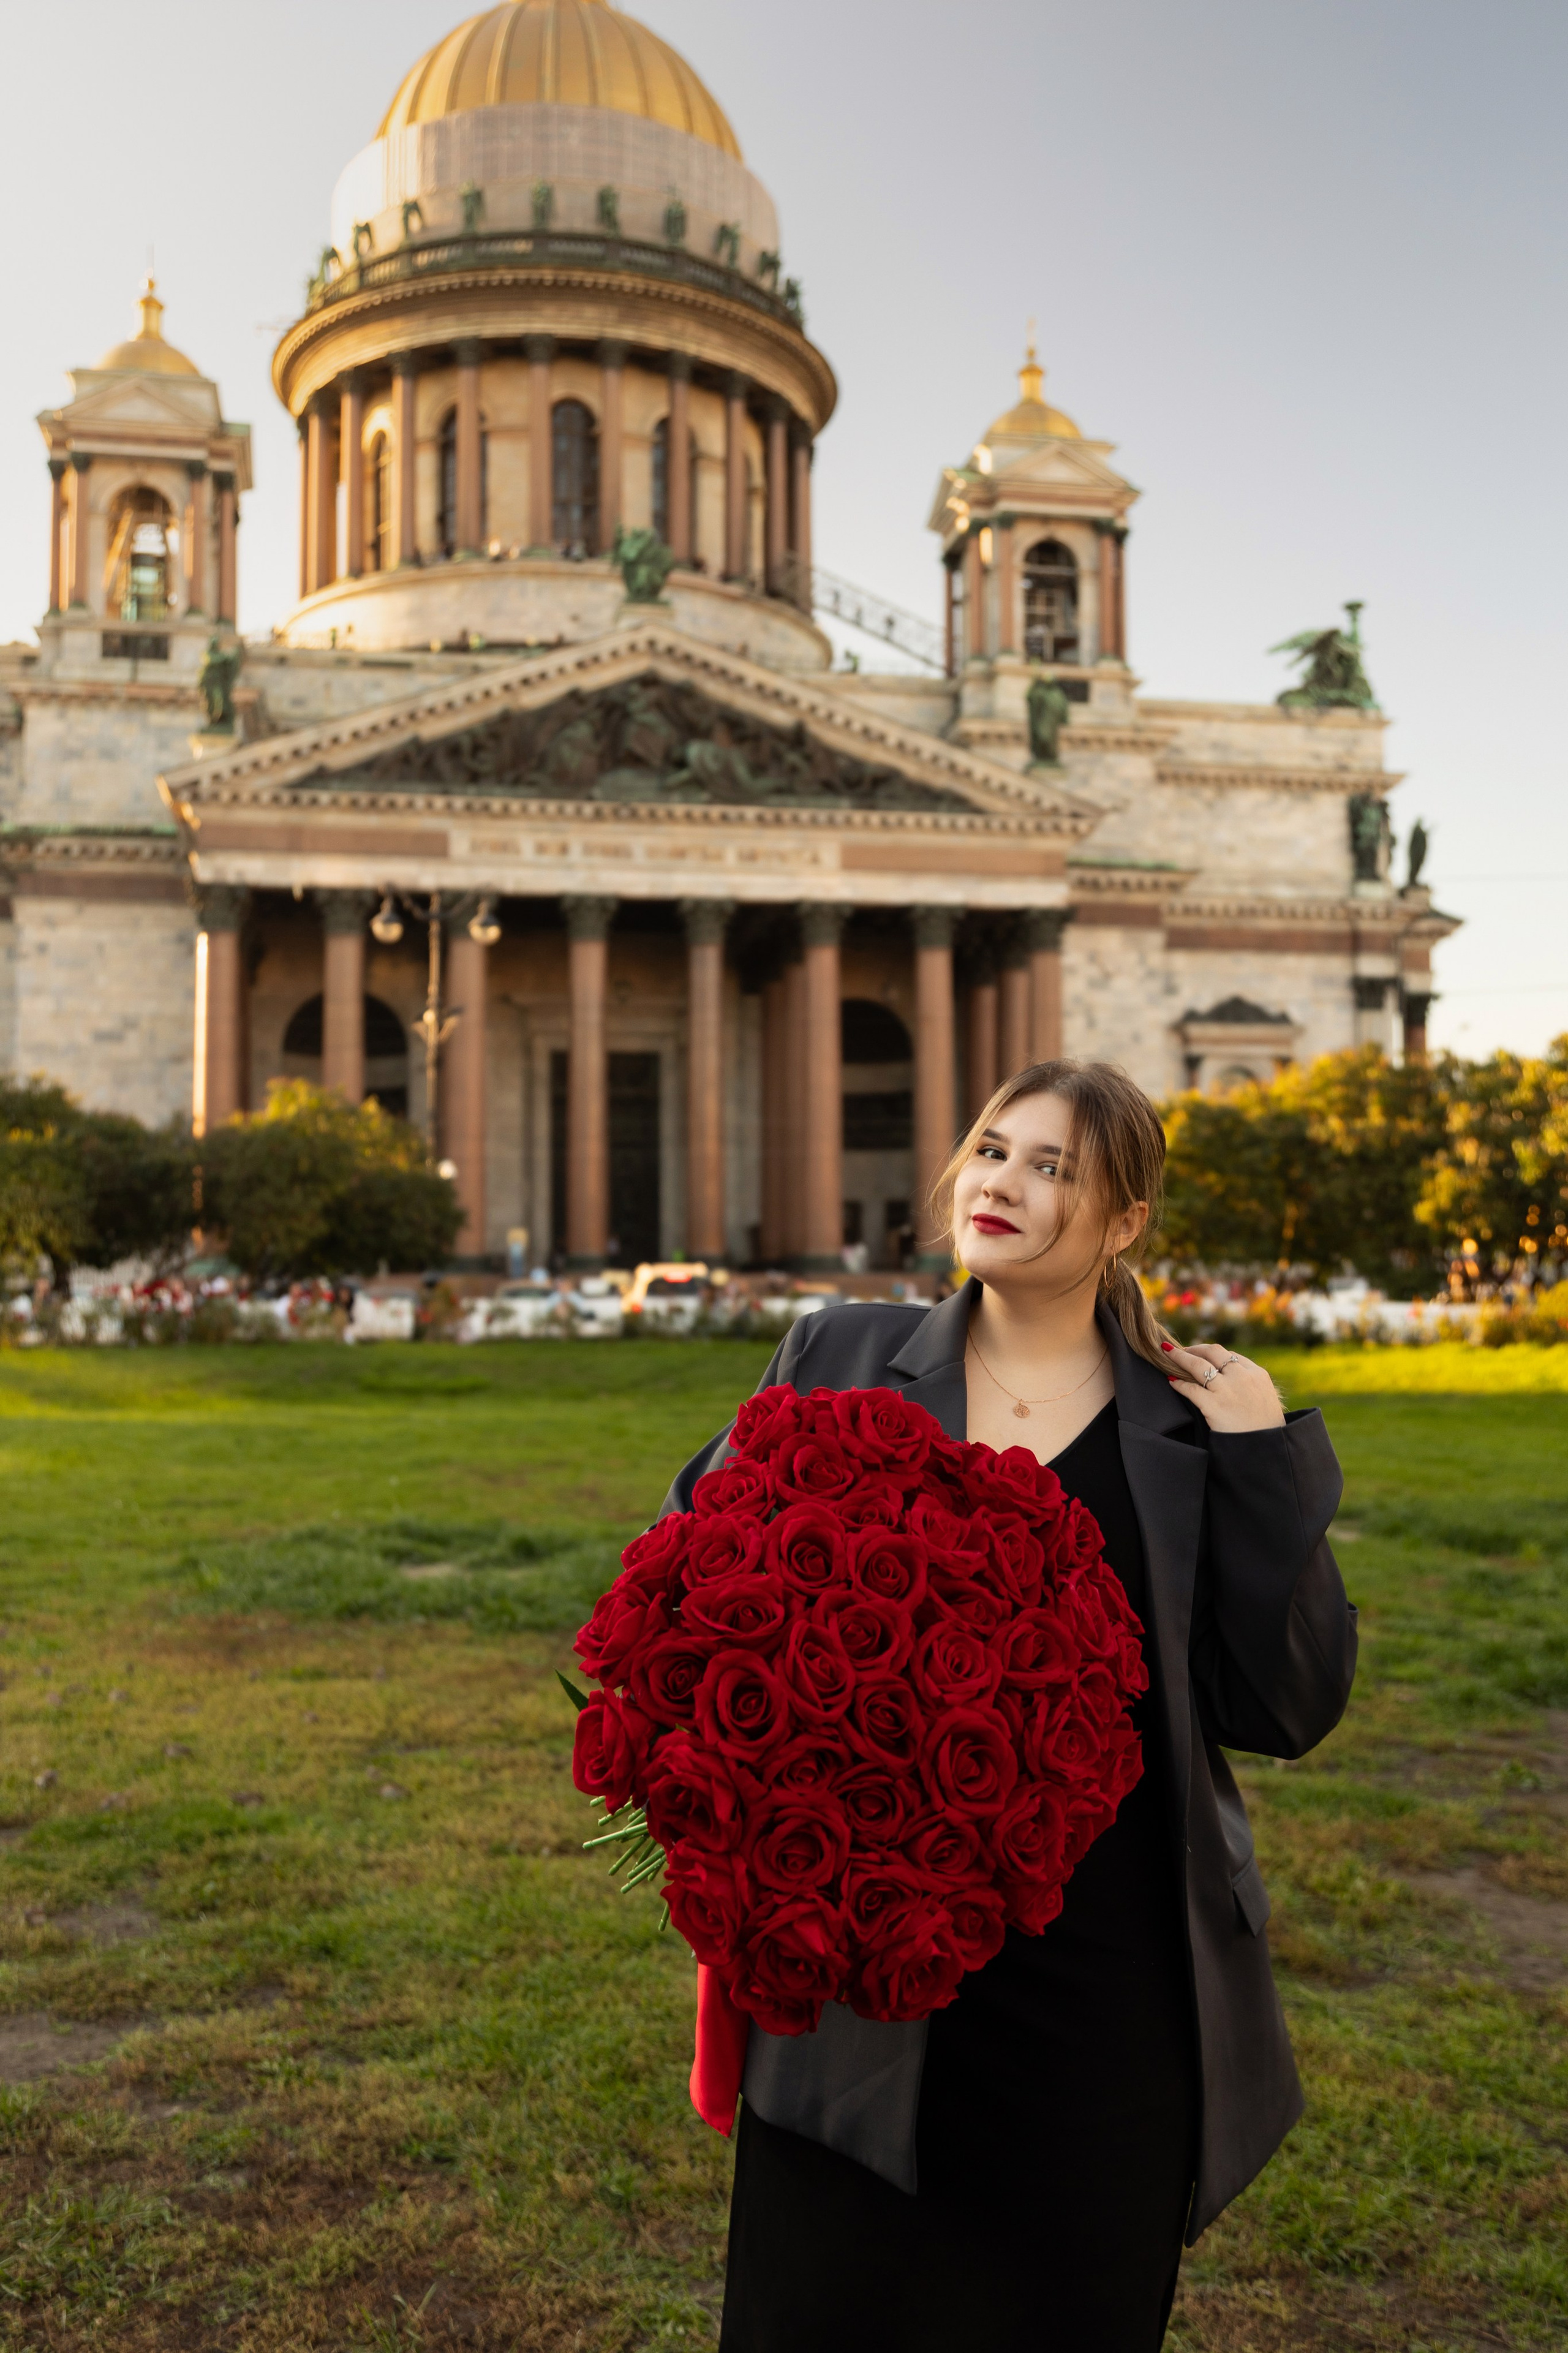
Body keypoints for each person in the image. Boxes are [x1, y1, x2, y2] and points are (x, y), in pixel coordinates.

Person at [659, 1059, 1357, 2353]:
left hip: (1104, 1981)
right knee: (821, 2314)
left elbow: (1287, 1700)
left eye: (1053, 1169)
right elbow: (689, 1584)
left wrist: (1261, 1452)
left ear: (1124, 1222)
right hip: (861, 1958)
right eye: (992, 1149)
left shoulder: (1189, 1424)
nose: (1003, 1183)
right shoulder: (839, 1351)